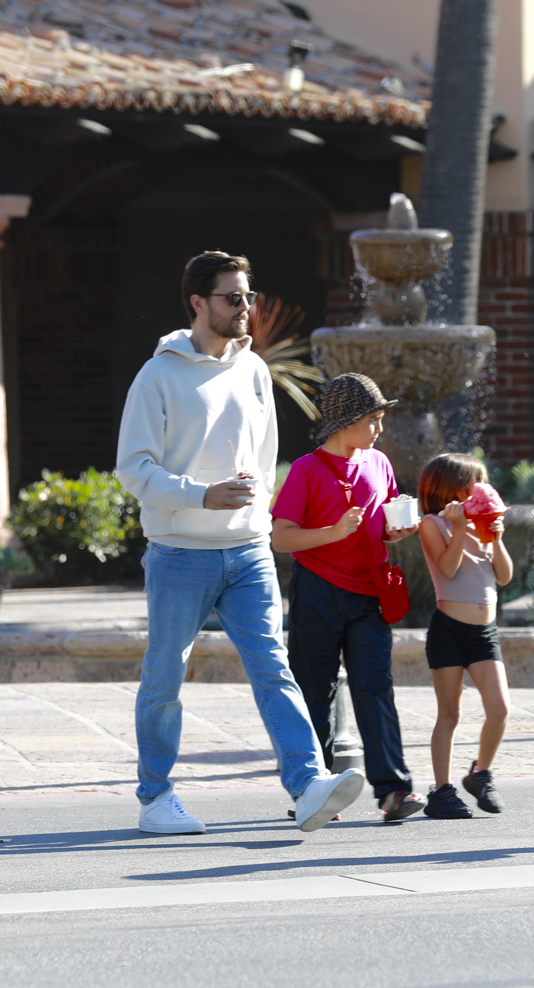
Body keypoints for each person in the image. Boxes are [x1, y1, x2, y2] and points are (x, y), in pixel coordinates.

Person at [117, 250, 365, 835]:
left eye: (248, 296)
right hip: (180, 551)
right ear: (197, 302)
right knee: (165, 676)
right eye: (233, 298)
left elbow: (263, 453)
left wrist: (258, 513)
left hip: (249, 550)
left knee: (274, 669)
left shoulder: (253, 369)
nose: (245, 307)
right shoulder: (157, 376)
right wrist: (201, 496)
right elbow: (133, 468)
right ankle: (156, 798)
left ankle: (308, 783)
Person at [271, 373, 426, 823]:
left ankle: (394, 791)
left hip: (369, 593)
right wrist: (333, 532)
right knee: (313, 691)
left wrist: (398, 531)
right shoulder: (306, 469)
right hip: (317, 591)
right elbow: (281, 537)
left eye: (380, 418)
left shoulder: (379, 463)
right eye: (372, 419)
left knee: (375, 689)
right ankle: (313, 790)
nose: (379, 428)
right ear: (345, 420)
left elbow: (384, 523)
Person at [416, 454, 513, 818]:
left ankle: (480, 774)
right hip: (449, 631)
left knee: (500, 709)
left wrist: (496, 539)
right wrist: (459, 529)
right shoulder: (432, 524)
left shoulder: (484, 525)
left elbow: (504, 576)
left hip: (484, 633)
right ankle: (441, 790)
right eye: (477, 483)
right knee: (450, 714)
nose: (485, 489)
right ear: (455, 490)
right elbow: (447, 569)